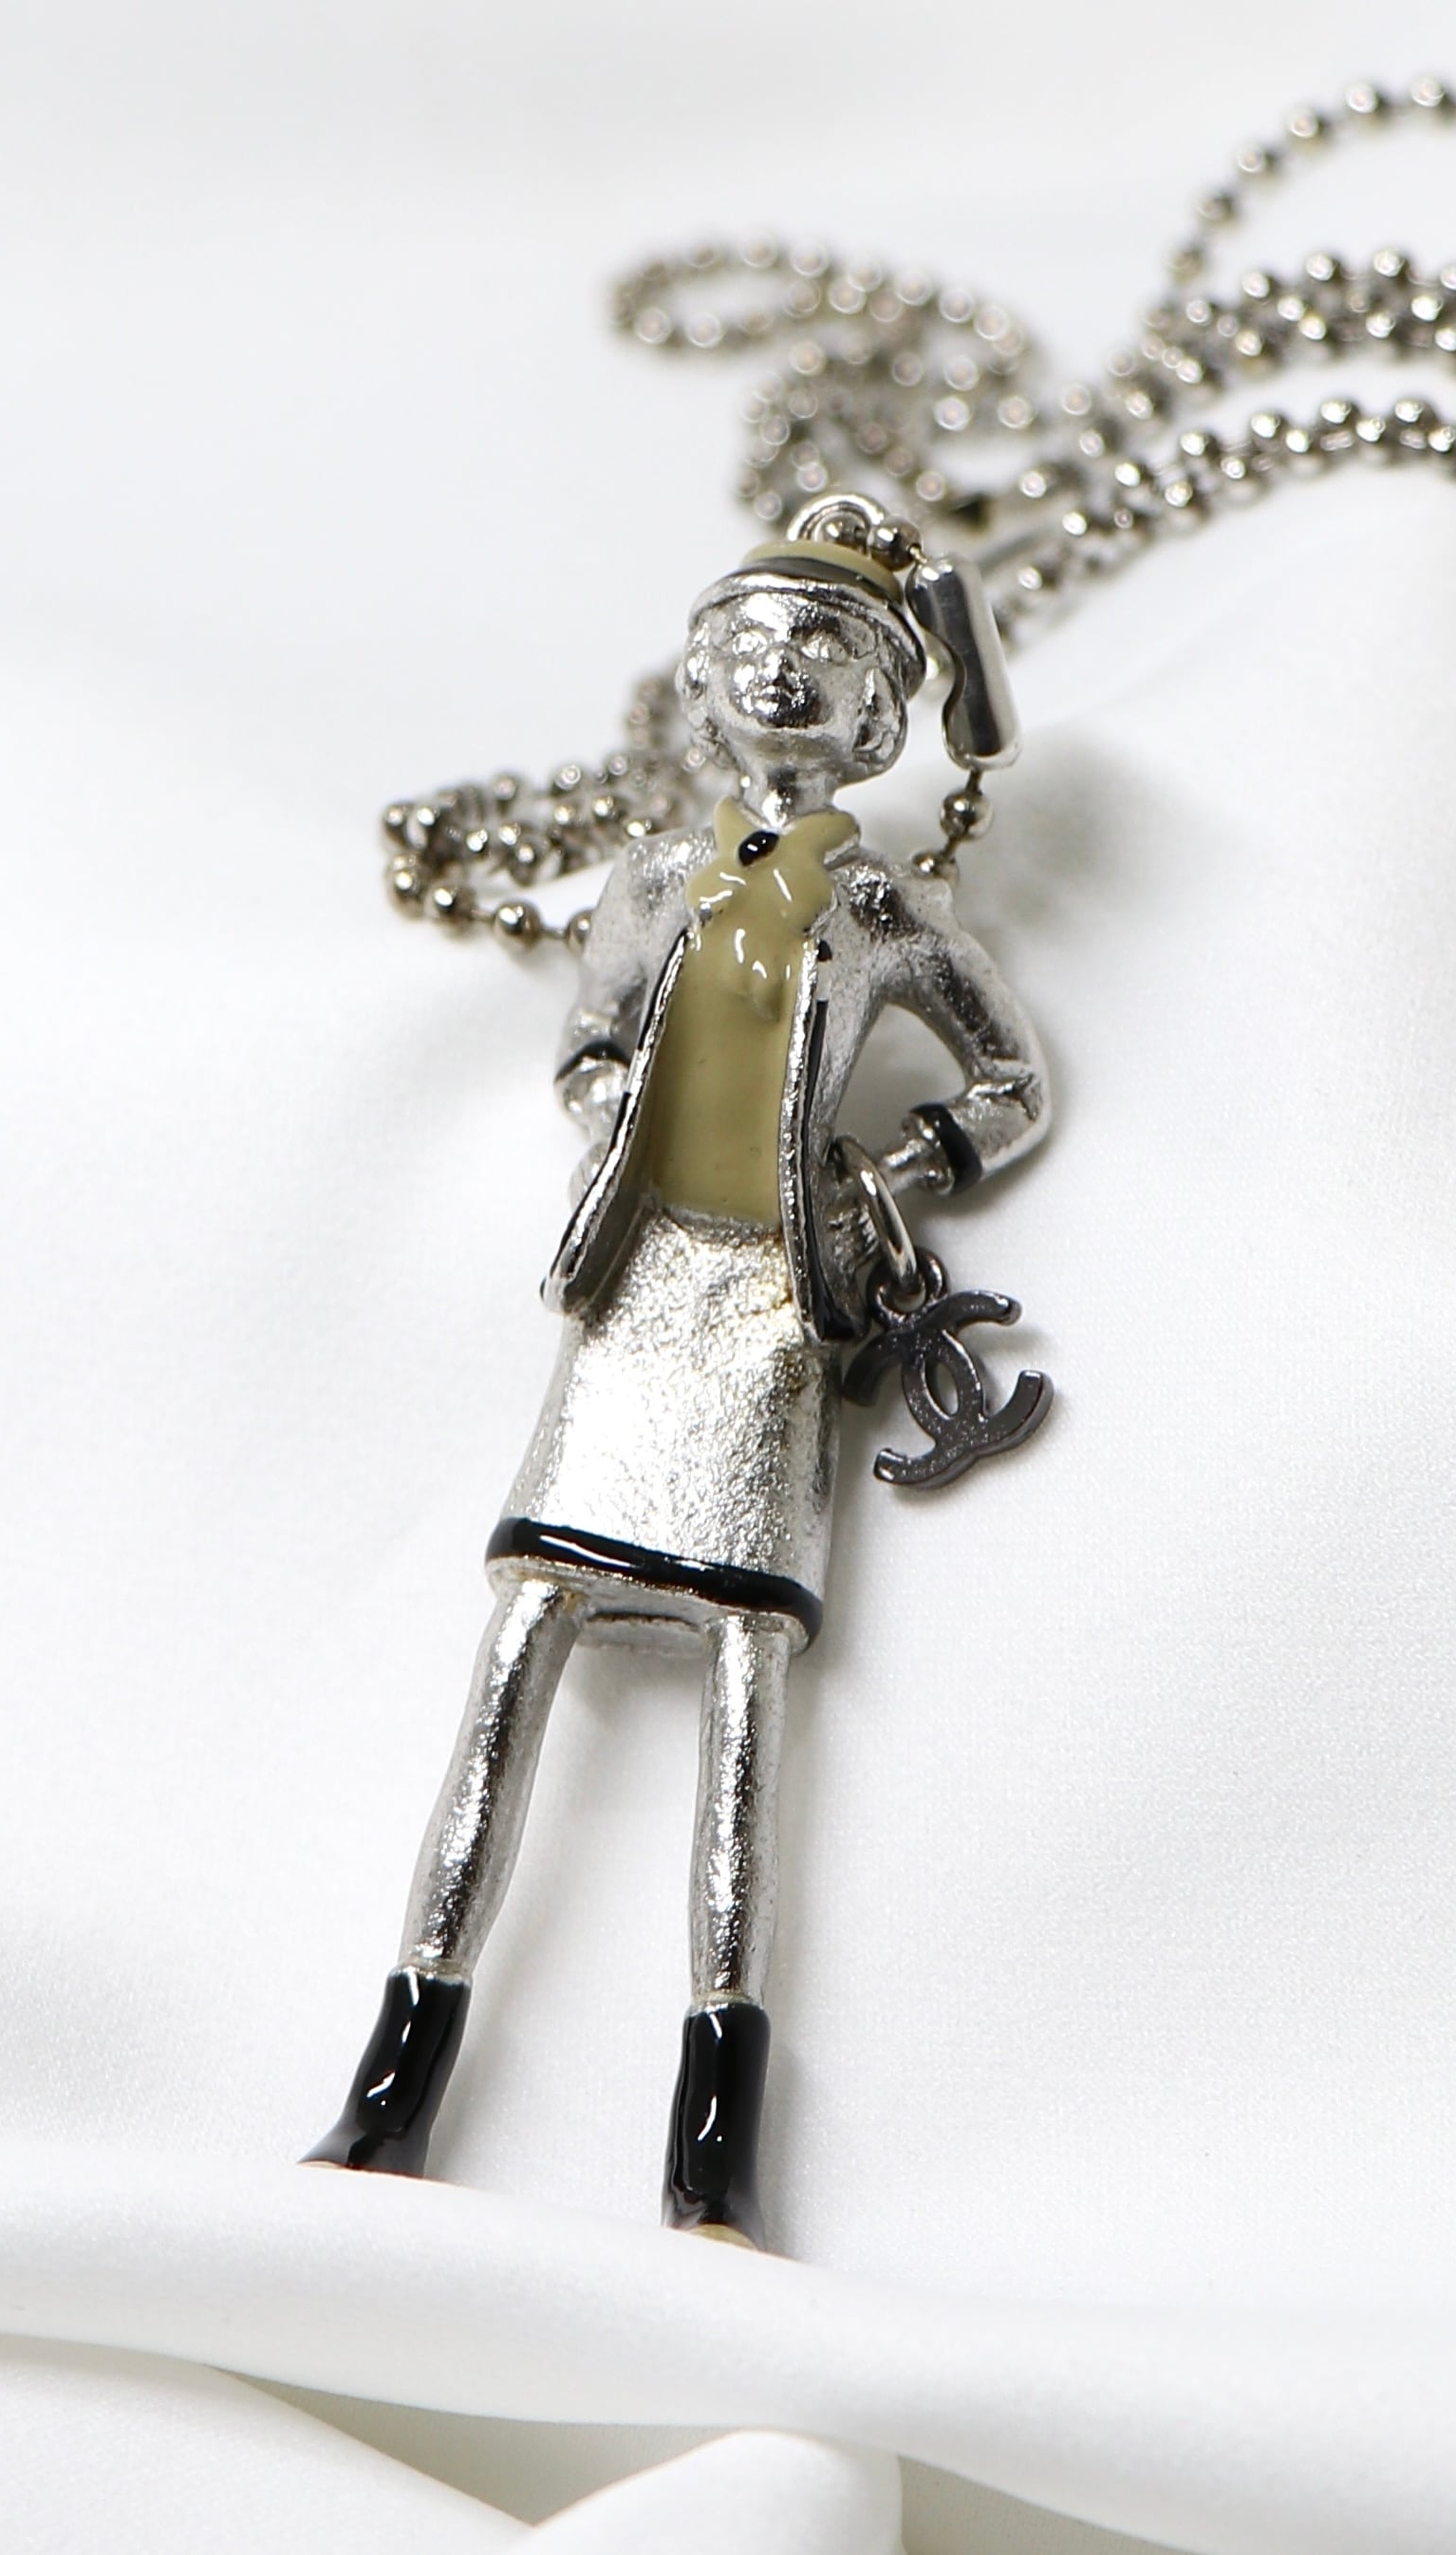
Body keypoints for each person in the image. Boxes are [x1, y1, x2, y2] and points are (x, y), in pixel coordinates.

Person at [308, 500, 1048, 2245]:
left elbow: (1013, 1081)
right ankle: (395, 2080)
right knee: (512, 1660)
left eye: (830, 648)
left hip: (779, 1316)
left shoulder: (880, 904)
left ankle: (713, 2142)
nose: (782, 670)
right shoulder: (651, 880)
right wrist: (612, 1109)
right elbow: (588, 1041)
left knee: (744, 1701)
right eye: (748, 643)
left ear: (883, 712)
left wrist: (902, 1167)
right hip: (636, 1293)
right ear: (701, 678)